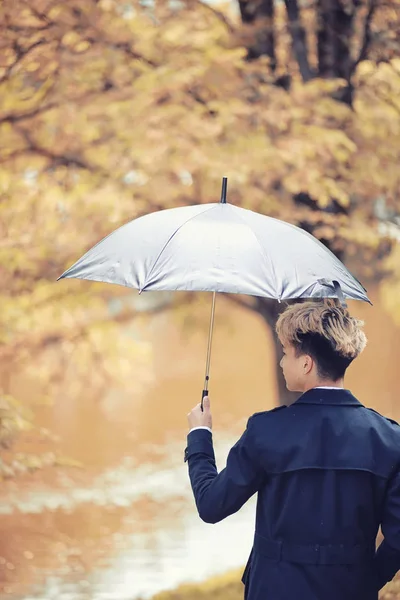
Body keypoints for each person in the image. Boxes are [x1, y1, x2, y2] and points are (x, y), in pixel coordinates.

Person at [184, 298, 400, 600]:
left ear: (306, 363)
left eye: (286, 353)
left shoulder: (267, 431)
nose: (282, 362)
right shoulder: (389, 439)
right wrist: (367, 580)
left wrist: (199, 435)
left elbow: (211, 505)